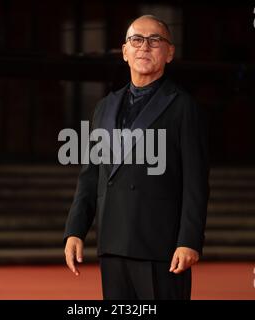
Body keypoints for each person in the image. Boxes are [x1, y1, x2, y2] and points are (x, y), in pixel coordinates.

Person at [63, 15, 209, 300]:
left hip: (160, 246)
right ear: (125, 51)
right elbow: (91, 175)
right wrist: (75, 230)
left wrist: (189, 241)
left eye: (155, 40)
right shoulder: (104, 107)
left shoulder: (183, 107)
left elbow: (196, 182)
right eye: (136, 40)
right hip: (112, 242)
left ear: (169, 53)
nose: (145, 46)